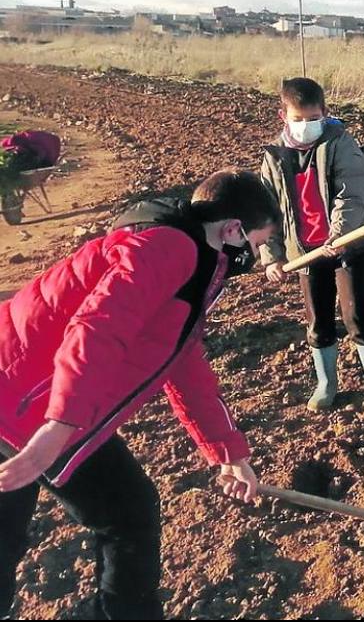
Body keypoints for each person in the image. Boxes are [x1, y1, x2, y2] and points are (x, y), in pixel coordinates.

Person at [0, 169, 280, 619]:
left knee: (130, 512)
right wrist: (58, 426)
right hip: (18, 401)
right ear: (233, 230)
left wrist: (227, 451)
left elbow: (183, 362)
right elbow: (97, 329)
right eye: (256, 243)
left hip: (48, 405)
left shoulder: (192, 258)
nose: (255, 254)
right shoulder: (167, 250)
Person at [259, 77, 364, 412]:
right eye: (298, 120)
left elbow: (352, 193)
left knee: (356, 314)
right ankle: (326, 383)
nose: (305, 126)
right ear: (283, 116)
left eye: (312, 119)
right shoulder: (275, 157)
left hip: (347, 246)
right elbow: (268, 212)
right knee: (318, 320)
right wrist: (271, 257)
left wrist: (339, 234)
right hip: (305, 253)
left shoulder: (341, 144)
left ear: (324, 113)